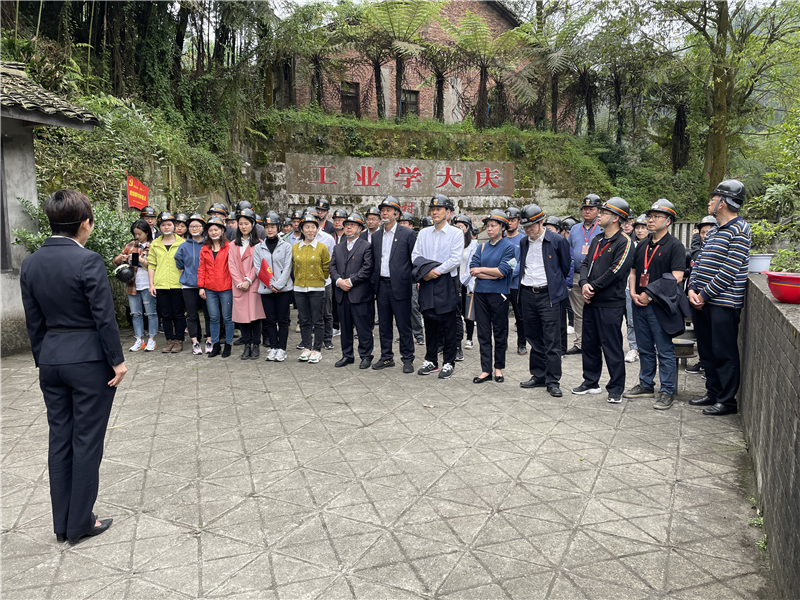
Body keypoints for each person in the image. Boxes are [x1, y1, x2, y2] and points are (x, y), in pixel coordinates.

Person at [21, 189, 126, 545]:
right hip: (88, 362)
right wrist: (117, 360)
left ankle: (62, 522)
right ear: (85, 224)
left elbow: (34, 319)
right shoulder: (88, 261)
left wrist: (44, 358)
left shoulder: (31, 263)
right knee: (86, 440)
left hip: (52, 360)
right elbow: (103, 317)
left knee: (60, 439)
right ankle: (80, 522)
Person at [687, 180, 751, 416]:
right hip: (702, 302)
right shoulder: (713, 231)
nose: (709, 202)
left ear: (723, 203)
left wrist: (704, 294)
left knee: (724, 352)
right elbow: (699, 263)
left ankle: (727, 401)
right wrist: (692, 288)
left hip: (724, 303)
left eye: (713, 199)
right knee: (707, 351)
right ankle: (712, 392)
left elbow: (729, 271)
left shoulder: (740, 230)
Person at [624, 200, 686, 410]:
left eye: (656, 217)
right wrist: (633, 293)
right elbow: (634, 271)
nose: (650, 220)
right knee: (644, 347)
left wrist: (649, 295)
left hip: (660, 305)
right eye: (649, 216)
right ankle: (646, 384)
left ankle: (667, 390)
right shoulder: (642, 244)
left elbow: (677, 276)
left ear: (668, 221)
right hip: (638, 302)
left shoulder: (675, 246)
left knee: (664, 349)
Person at [573, 197, 635, 404]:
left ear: (616, 218)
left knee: (612, 346)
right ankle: (590, 382)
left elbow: (616, 270)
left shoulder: (624, 242)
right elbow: (585, 264)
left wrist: (593, 287)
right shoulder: (598, 239)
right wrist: (584, 283)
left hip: (610, 302)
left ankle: (616, 388)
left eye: (605, 213)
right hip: (591, 300)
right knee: (589, 344)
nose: (599, 215)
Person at [517, 205, 572, 397]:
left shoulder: (557, 241)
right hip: (527, 292)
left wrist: (554, 285)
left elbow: (565, 267)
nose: (528, 230)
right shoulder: (523, 242)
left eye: (531, 226)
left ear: (541, 222)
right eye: (525, 227)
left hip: (548, 294)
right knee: (533, 337)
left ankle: (553, 380)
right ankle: (538, 375)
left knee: (552, 338)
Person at [412, 194, 463, 380]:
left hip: (446, 281)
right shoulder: (424, 233)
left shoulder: (456, 233)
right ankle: (431, 360)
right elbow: (415, 256)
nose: (435, 212)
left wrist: (435, 271)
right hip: (427, 280)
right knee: (430, 322)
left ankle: (449, 362)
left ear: (448, 212)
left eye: (439, 209)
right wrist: (426, 273)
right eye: (433, 209)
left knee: (448, 324)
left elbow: (455, 259)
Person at [371, 197, 418, 372]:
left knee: (403, 324)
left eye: (388, 210)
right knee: (384, 325)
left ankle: (407, 359)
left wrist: (412, 281)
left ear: (397, 214)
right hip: (382, 285)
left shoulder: (407, 234)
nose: (384, 213)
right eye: (383, 210)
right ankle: (386, 357)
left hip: (400, 286)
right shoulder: (376, 236)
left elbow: (414, 260)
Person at [469, 210, 515, 384]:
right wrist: (492, 274)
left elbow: (503, 271)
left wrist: (482, 271)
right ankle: (485, 369)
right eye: (487, 226)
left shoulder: (508, 247)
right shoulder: (481, 247)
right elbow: (473, 269)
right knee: (483, 333)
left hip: (499, 294)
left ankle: (498, 368)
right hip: (481, 294)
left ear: (502, 227)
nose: (489, 229)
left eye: (493, 226)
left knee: (500, 332)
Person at [330, 212, 374, 369]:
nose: (348, 227)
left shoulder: (366, 246)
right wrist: (338, 281)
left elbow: (367, 268)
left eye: (353, 225)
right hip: (342, 294)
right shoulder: (338, 247)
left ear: (360, 229)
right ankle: (347, 355)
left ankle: (366, 356)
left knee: (363, 328)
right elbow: (332, 267)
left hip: (360, 294)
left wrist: (350, 281)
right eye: (347, 225)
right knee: (345, 327)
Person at [254, 212, 293, 362]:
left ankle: (282, 349)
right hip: (266, 289)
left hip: (283, 289)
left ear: (278, 227)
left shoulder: (286, 246)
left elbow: (288, 267)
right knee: (269, 320)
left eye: (272, 226)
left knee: (283, 320)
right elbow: (258, 268)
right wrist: (270, 284)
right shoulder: (259, 248)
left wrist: (278, 284)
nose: (269, 230)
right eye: (267, 227)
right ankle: (273, 347)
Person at [114, 220, 158, 352]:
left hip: (148, 284)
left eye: (140, 234)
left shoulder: (154, 245)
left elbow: (155, 266)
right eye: (135, 234)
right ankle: (139, 339)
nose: (137, 236)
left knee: (151, 313)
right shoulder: (131, 245)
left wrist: (139, 259)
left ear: (147, 232)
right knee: (135, 313)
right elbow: (115, 261)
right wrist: (121, 258)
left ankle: (152, 339)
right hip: (132, 284)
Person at [566, 194, 602, 355]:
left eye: (591, 208)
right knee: (578, 312)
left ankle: (598, 342)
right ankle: (580, 343)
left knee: (597, 311)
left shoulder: (602, 227)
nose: (587, 211)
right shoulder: (575, 228)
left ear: (598, 210)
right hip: (577, 275)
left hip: (597, 276)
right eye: (585, 208)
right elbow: (568, 251)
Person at [293, 212, 331, 363]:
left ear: (317, 229)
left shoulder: (322, 247)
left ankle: (317, 349)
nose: (310, 230)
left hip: (317, 288)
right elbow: (293, 266)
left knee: (318, 319)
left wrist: (320, 279)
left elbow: (326, 267)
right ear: (302, 229)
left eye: (313, 227)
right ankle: (306, 347)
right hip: (299, 288)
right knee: (303, 319)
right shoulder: (295, 247)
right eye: (307, 227)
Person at [174, 214, 213, 355]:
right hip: (189, 285)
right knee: (191, 315)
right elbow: (179, 263)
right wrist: (188, 274)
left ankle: (209, 339)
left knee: (209, 314)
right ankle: (195, 341)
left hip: (207, 285)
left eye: (197, 226)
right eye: (191, 226)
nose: (194, 228)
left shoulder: (209, 244)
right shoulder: (183, 246)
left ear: (203, 227)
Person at [148, 211, 186, 353]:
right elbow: (151, 265)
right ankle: (169, 339)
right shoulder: (155, 244)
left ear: (174, 226)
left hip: (178, 284)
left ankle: (179, 340)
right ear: (159, 227)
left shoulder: (182, 243)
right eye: (163, 225)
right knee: (165, 314)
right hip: (161, 284)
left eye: (169, 224)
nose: (166, 227)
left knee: (178, 313)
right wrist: (151, 284)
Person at [229, 208, 265, 360]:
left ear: (253, 224)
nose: (243, 227)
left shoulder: (259, 244)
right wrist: (239, 282)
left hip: (254, 284)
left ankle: (256, 345)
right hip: (239, 286)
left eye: (246, 223)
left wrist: (248, 280)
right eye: (241, 224)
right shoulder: (232, 245)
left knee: (255, 318)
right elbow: (231, 265)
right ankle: (246, 346)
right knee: (242, 318)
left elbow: (258, 265)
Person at [684, 215, 717, 375]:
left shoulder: (713, 251)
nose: (705, 235)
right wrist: (691, 291)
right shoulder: (701, 251)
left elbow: (695, 254)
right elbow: (693, 271)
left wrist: (695, 239)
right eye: (702, 232)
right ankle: (704, 364)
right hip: (696, 299)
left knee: (714, 341)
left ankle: (710, 370)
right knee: (701, 338)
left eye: (708, 232)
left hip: (711, 300)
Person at [198, 217, 233, 358]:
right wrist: (201, 286)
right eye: (211, 230)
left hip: (226, 287)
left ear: (222, 230)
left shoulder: (229, 247)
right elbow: (202, 269)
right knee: (213, 318)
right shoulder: (205, 248)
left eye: (216, 229)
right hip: (210, 288)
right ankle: (216, 344)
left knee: (228, 317)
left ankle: (228, 344)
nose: (213, 232)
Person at [399, 212, 425, 345]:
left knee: (414, 307)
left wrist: (418, 278)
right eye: (400, 223)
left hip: (412, 278)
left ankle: (419, 334)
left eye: (405, 223)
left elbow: (418, 259)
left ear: (411, 225)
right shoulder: (395, 238)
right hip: (399, 279)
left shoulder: (414, 238)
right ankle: (404, 333)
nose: (402, 225)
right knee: (401, 308)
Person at [453, 214, 477, 350]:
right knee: (455, 310)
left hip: (468, 282)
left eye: (461, 226)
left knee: (468, 310)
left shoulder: (473, 245)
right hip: (454, 281)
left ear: (467, 228)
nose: (458, 229)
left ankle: (469, 338)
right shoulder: (452, 243)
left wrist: (463, 281)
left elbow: (473, 264)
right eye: (456, 226)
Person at [504, 206, 526, 355]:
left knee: (520, 315)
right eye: (508, 220)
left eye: (513, 220)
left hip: (516, 283)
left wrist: (508, 273)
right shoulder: (501, 238)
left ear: (518, 221)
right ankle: (502, 342)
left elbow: (522, 261)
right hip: (501, 283)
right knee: (501, 316)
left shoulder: (523, 239)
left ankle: (522, 343)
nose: (510, 223)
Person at [622, 216, 640, 363]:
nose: (640, 230)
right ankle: (633, 347)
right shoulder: (629, 243)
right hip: (629, 287)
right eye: (638, 227)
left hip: (650, 289)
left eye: (643, 227)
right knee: (631, 320)